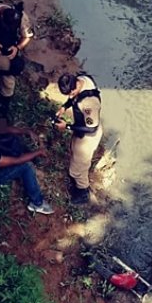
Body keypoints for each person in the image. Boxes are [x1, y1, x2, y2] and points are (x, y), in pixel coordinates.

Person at [53, 72, 103, 205]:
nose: (70, 96)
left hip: (88, 136)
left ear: (75, 87)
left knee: (78, 168)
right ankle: (77, 180)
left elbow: (92, 128)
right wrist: (64, 107)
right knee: (74, 152)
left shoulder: (89, 104)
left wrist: (67, 127)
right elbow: (73, 98)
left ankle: (83, 192)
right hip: (81, 128)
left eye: (71, 93)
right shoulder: (81, 79)